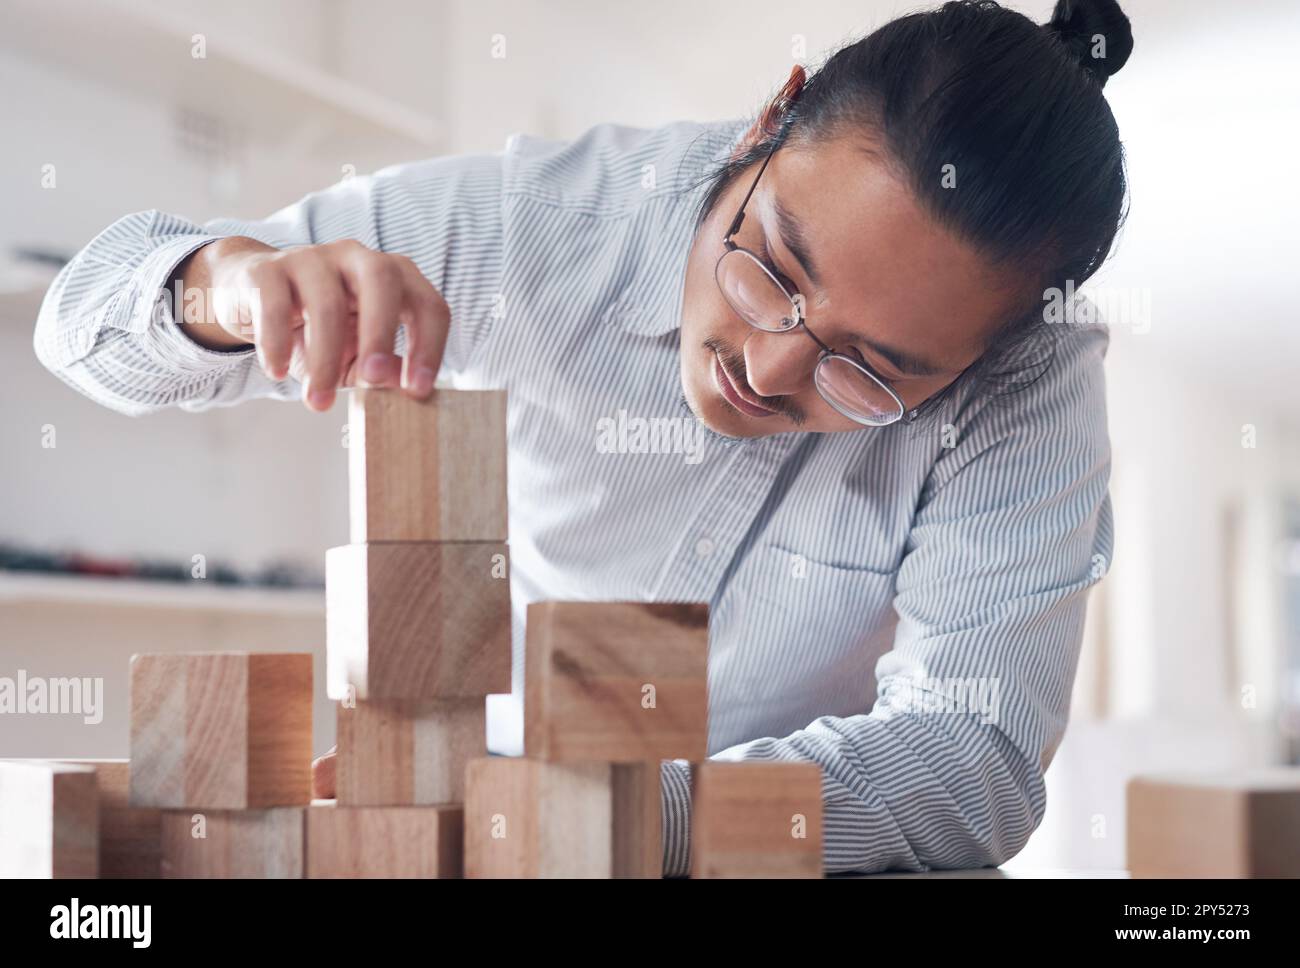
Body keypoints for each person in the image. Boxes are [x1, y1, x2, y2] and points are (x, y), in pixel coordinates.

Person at [33, 0, 1132, 875]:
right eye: (773, 270)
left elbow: (971, 755)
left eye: (878, 371)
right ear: (766, 121)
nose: (768, 365)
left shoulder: (1030, 372)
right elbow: (80, 316)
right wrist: (223, 288)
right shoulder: (539, 224)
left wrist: (610, 817)